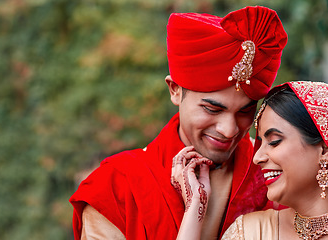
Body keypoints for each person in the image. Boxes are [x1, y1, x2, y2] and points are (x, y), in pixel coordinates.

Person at [69, 6, 288, 240]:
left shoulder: (278, 171)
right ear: (175, 90)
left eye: (245, 111)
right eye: (212, 108)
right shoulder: (115, 187)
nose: (229, 130)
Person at [177, 81, 328, 239]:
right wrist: (195, 206)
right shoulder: (251, 233)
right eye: (260, 143)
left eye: (275, 141)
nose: (257, 158)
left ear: (325, 148)